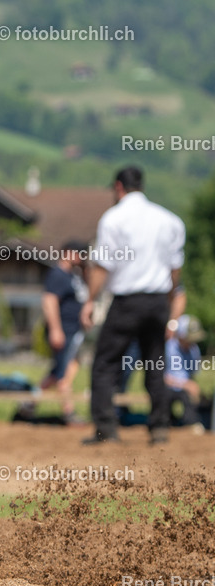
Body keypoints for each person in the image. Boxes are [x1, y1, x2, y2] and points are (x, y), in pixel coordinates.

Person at [81, 166, 185, 445]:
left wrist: (90, 301)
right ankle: (160, 428)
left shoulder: (113, 219)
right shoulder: (169, 220)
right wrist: (170, 297)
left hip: (127, 301)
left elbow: (103, 265)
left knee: (105, 363)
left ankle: (106, 430)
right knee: (155, 363)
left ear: (118, 187)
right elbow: (175, 268)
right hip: (157, 300)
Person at [39, 240, 89, 423]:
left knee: (57, 372)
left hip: (73, 331)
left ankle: (27, 406)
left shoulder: (73, 276)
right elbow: (49, 301)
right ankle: (69, 412)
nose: (82, 257)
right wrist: (55, 330)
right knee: (62, 373)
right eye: (79, 253)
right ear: (68, 252)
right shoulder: (58, 274)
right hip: (64, 331)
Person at [164, 314, 204, 432]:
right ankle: (166, 421)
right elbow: (161, 377)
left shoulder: (194, 350)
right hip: (168, 387)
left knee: (189, 395)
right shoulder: (168, 347)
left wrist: (192, 386)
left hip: (184, 388)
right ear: (181, 335)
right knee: (165, 394)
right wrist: (185, 384)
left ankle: (191, 422)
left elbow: (193, 374)